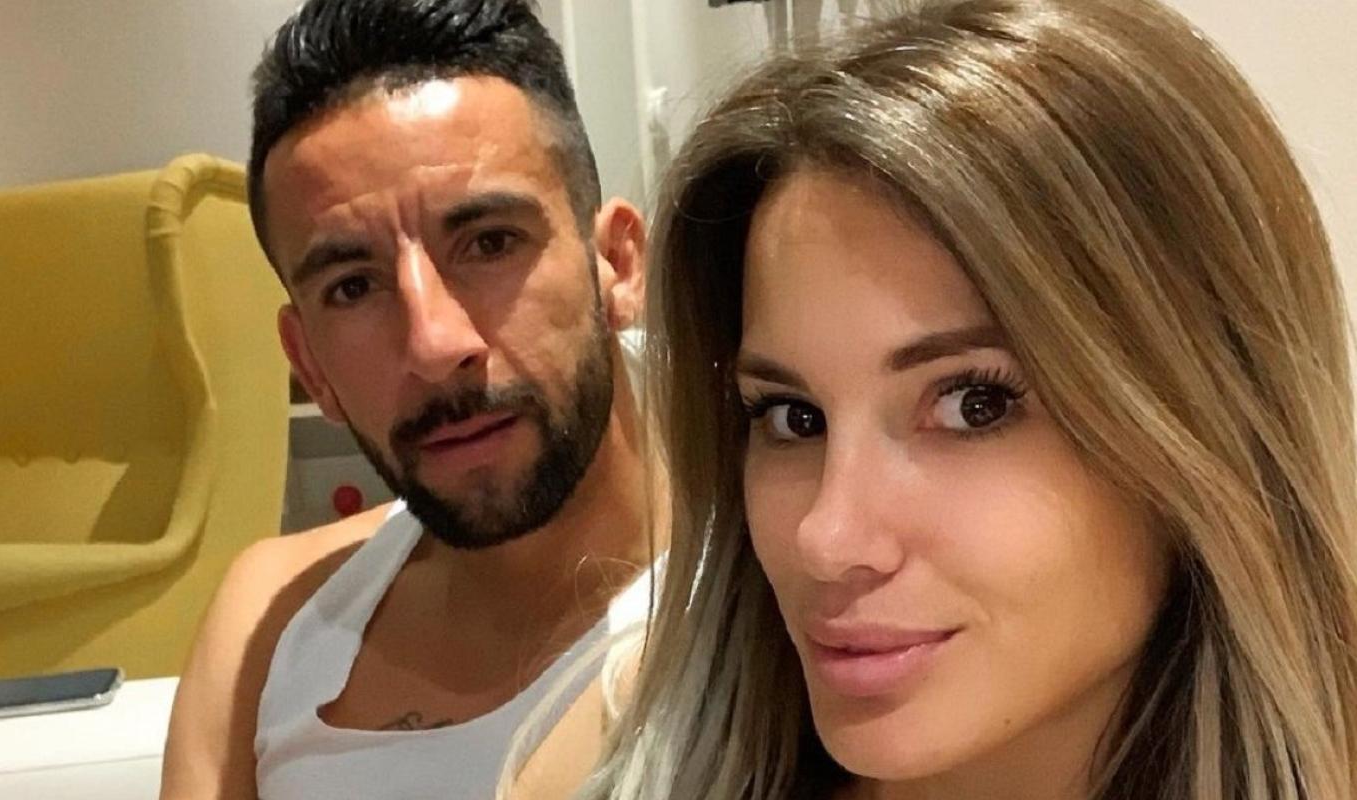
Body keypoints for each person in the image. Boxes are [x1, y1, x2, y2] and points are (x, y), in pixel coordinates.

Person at [572, 1, 1357, 798]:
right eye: (793, 418)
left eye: (973, 405)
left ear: (1210, 420)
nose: (826, 538)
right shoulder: (641, 751)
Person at [160, 1, 655, 798]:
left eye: (490, 243)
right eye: (353, 287)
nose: (432, 345)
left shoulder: (784, 603)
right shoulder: (269, 620)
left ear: (618, 267)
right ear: (309, 364)